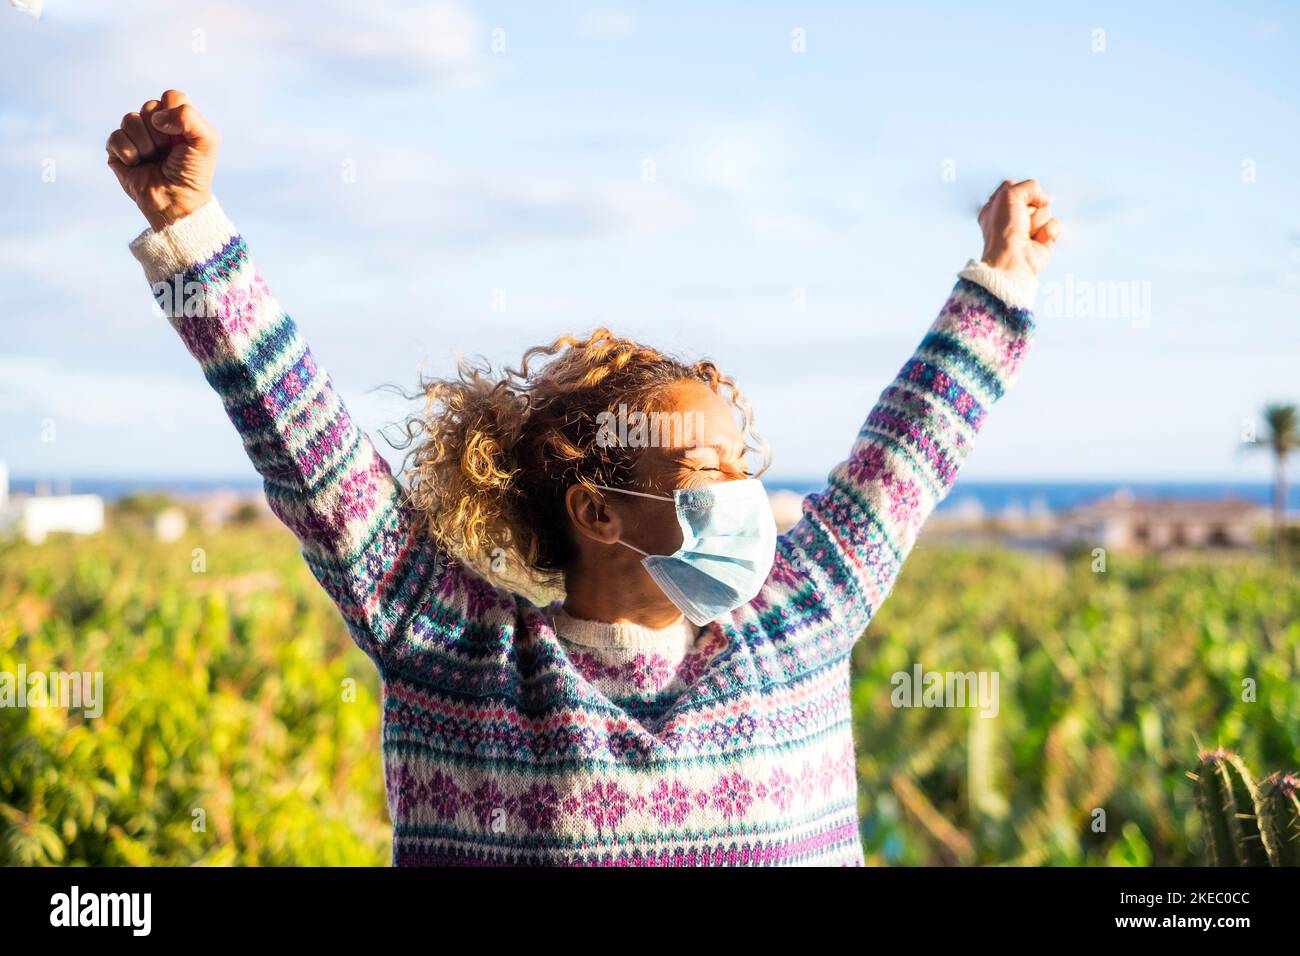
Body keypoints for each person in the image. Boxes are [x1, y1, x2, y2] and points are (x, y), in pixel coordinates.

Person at [108, 90, 1060, 866]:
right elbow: (308, 449)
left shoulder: (798, 618)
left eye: (743, 462)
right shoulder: (459, 658)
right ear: (597, 510)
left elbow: (911, 447)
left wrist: (1003, 276)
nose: (745, 492)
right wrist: (186, 228)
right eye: (704, 467)